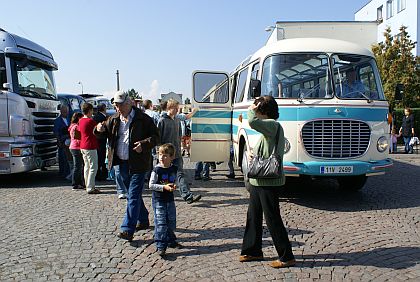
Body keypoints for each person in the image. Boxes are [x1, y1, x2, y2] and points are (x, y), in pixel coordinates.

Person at [95, 91, 159, 241]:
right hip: (120, 163)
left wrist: (143, 144)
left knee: (133, 195)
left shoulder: (143, 119)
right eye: (116, 105)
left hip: (139, 164)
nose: (119, 108)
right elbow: (101, 132)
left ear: (129, 102)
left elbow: (156, 137)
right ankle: (143, 219)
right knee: (133, 195)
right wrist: (98, 129)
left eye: (121, 105)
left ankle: (127, 229)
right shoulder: (114, 119)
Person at [240, 96, 295, 269]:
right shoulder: (269, 128)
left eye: (258, 109)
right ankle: (252, 250)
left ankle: (286, 256)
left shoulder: (272, 125)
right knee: (253, 216)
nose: (256, 112)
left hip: (268, 181)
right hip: (259, 180)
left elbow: (252, 121)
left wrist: (251, 108)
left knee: (272, 218)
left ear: (263, 111)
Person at [158, 99, 201, 204]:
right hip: (165, 154)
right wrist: (160, 153)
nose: (177, 110)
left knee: (180, 174)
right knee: (165, 176)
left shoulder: (177, 119)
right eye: (175, 108)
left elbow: (181, 131)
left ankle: (187, 196)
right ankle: (162, 196)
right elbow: (158, 137)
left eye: (178, 108)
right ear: (169, 108)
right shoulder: (162, 121)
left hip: (176, 153)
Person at [149, 143, 182, 256]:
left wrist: (174, 185)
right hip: (159, 200)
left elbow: (175, 180)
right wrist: (164, 187)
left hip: (170, 199)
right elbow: (151, 185)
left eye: (165, 155)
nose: (162, 158)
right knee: (161, 222)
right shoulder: (157, 170)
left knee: (170, 221)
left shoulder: (173, 168)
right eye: (160, 155)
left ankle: (171, 240)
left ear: (172, 157)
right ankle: (160, 245)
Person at [79, 103, 99, 194]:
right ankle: (90, 187)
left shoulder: (80, 120)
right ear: (90, 110)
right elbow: (98, 130)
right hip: (90, 146)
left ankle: (87, 184)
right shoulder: (90, 121)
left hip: (83, 145)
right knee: (93, 167)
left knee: (86, 166)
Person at [53, 105, 71, 179]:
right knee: (62, 158)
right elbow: (56, 132)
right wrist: (59, 141)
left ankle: (68, 172)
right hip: (62, 141)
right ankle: (62, 173)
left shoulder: (69, 119)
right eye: (64, 112)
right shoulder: (57, 120)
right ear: (61, 111)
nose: (65, 113)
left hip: (69, 141)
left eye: (66, 112)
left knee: (68, 158)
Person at [68, 112, 85, 190]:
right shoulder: (76, 127)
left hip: (73, 147)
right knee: (78, 167)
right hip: (76, 147)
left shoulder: (72, 126)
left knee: (78, 166)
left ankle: (79, 183)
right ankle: (75, 183)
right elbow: (78, 139)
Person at [93, 103, 109, 181]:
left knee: (99, 158)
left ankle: (99, 173)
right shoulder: (102, 117)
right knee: (101, 158)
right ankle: (101, 175)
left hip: (97, 140)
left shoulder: (95, 116)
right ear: (104, 108)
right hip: (101, 140)